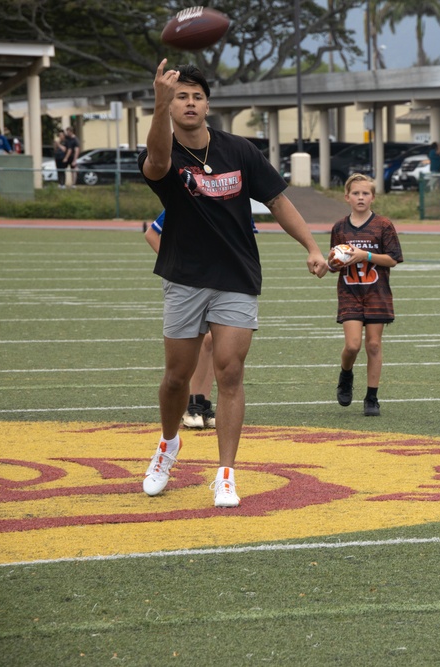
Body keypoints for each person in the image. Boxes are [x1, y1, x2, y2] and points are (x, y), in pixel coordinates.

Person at [138, 60, 328, 507]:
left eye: (196, 96)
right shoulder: (165, 149)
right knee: (175, 379)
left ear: (208, 104)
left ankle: (225, 473)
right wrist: (159, 103)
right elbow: (158, 161)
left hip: (236, 277)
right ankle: (168, 446)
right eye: (181, 96)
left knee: (230, 370)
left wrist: (312, 247)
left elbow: (278, 201)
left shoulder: (239, 150)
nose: (189, 103)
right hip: (184, 278)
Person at [330, 173, 404, 417]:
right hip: (350, 291)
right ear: (347, 197)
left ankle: (372, 397)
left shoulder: (383, 225)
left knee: (373, 344)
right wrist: (329, 264)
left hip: (376, 292)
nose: (360, 197)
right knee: (352, 345)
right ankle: (346, 374)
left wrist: (366, 255)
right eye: (355, 193)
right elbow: (334, 263)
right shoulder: (340, 227)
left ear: (373, 197)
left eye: (365, 193)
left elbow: (393, 259)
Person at [144, 210, 223, 430]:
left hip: (223, 281)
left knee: (212, 341)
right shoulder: (186, 199)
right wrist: (174, 264)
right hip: (190, 284)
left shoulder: (232, 199)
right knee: (193, 343)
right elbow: (152, 234)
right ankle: (191, 405)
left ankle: (202, 404)